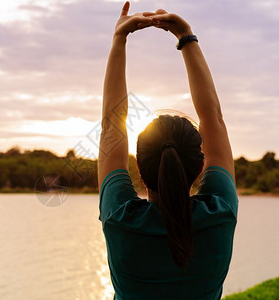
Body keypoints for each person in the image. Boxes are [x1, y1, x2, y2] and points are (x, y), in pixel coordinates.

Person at [98, 2, 238, 299]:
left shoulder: (120, 218)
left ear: (139, 168)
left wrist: (119, 40)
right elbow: (213, 118)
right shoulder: (219, 212)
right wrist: (186, 37)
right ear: (199, 168)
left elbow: (112, 127)